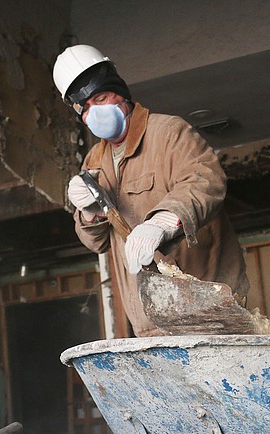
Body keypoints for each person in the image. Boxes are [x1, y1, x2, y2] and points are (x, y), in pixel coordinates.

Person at [53, 44, 249, 337]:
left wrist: (162, 222)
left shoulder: (169, 132)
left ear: (119, 91)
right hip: (149, 323)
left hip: (209, 314)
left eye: (101, 98)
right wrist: (90, 213)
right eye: (86, 108)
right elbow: (97, 243)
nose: (96, 112)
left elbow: (206, 182)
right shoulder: (94, 160)